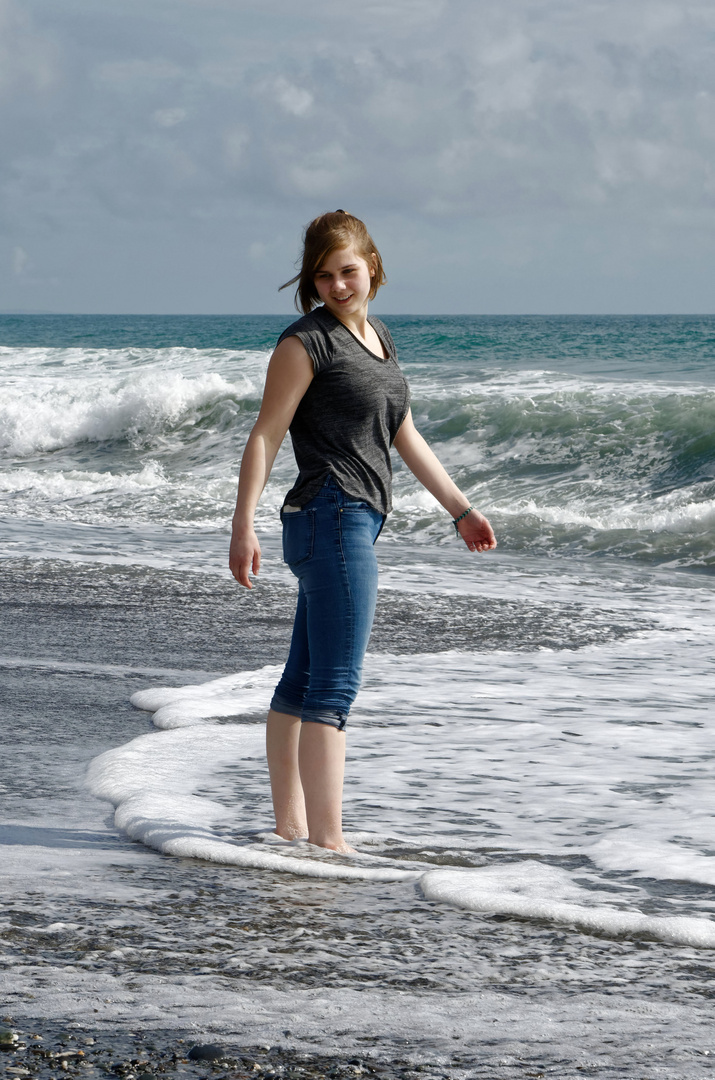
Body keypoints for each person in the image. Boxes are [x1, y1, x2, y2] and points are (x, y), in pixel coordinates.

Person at [229, 211, 496, 854]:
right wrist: (242, 524)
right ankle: (330, 842)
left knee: (303, 681)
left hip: (347, 523)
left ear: (372, 268)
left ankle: (292, 828)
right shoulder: (304, 343)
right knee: (335, 687)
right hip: (333, 515)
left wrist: (460, 509)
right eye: (323, 275)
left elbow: (402, 433)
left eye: (347, 271)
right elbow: (266, 433)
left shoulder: (378, 339)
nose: (338, 286)